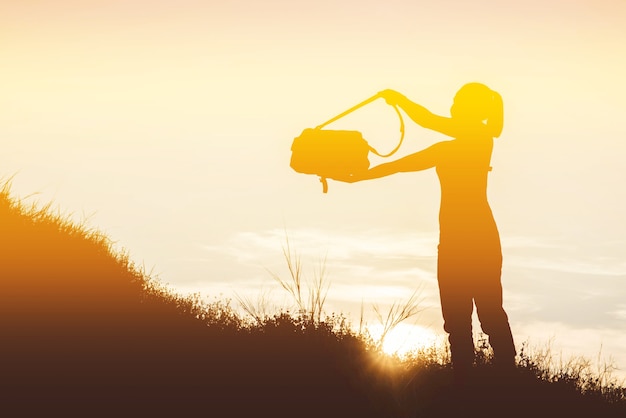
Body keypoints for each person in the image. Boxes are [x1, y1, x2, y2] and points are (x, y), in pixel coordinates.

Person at [333, 83, 516, 384]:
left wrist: (400, 100)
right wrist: (363, 175)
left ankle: (499, 383)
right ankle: (475, 385)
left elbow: (424, 129)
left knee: (485, 315)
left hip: (471, 240)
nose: (453, 104)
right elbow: (407, 158)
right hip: (466, 239)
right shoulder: (463, 144)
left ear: (471, 110)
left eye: (458, 101)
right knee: (464, 318)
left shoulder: (472, 141)